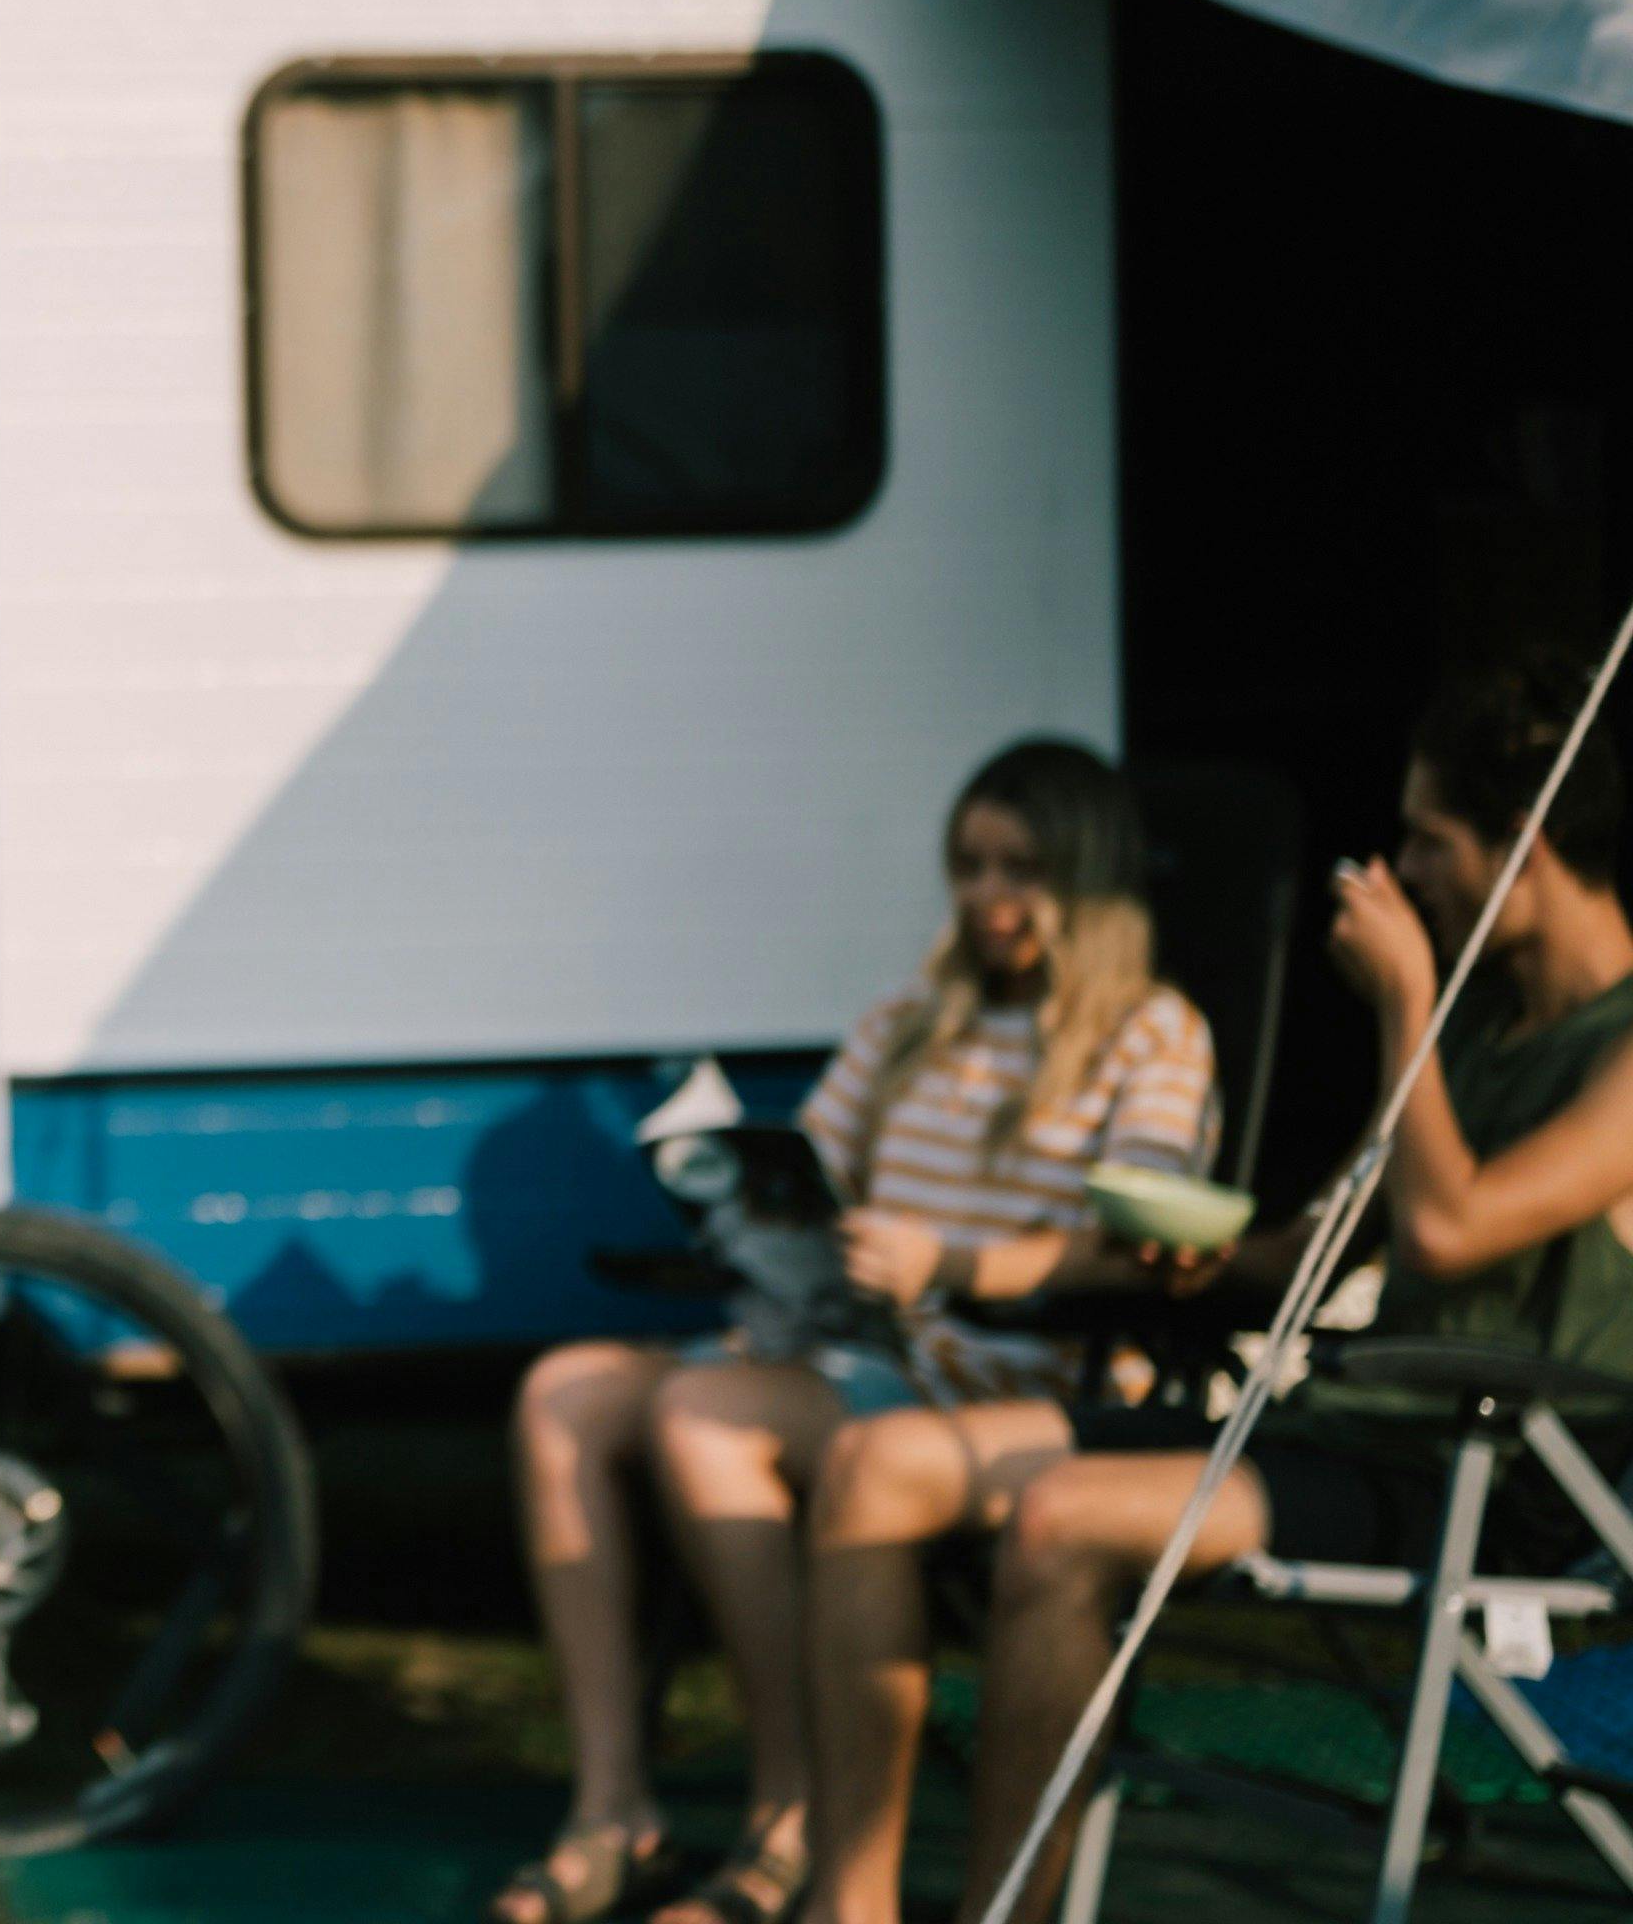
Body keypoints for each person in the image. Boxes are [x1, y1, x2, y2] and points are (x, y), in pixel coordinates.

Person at [494, 741, 1220, 1924]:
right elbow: (818, 1172)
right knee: (561, 1392)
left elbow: (1140, 1245)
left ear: (1086, 881)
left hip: (993, 1373)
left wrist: (950, 1262)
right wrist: (750, 1209)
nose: (985, 897)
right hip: (856, 1342)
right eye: (967, 866)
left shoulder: (1148, 1033)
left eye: (1019, 870)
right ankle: (609, 1805)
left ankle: (786, 1819)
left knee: (697, 1419)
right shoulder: (909, 1019)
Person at [962, 660, 1633, 1924]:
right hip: (1365, 1437)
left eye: (1428, 841)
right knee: (932, 1468)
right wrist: (1194, 1249)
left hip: (1492, 1479)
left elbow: (1442, 1230)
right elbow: (1318, 1247)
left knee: (1060, 1523)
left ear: (1523, 847)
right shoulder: (1486, 1029)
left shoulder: (1616, 1048)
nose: (1402, 872)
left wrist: (1403, 1003)